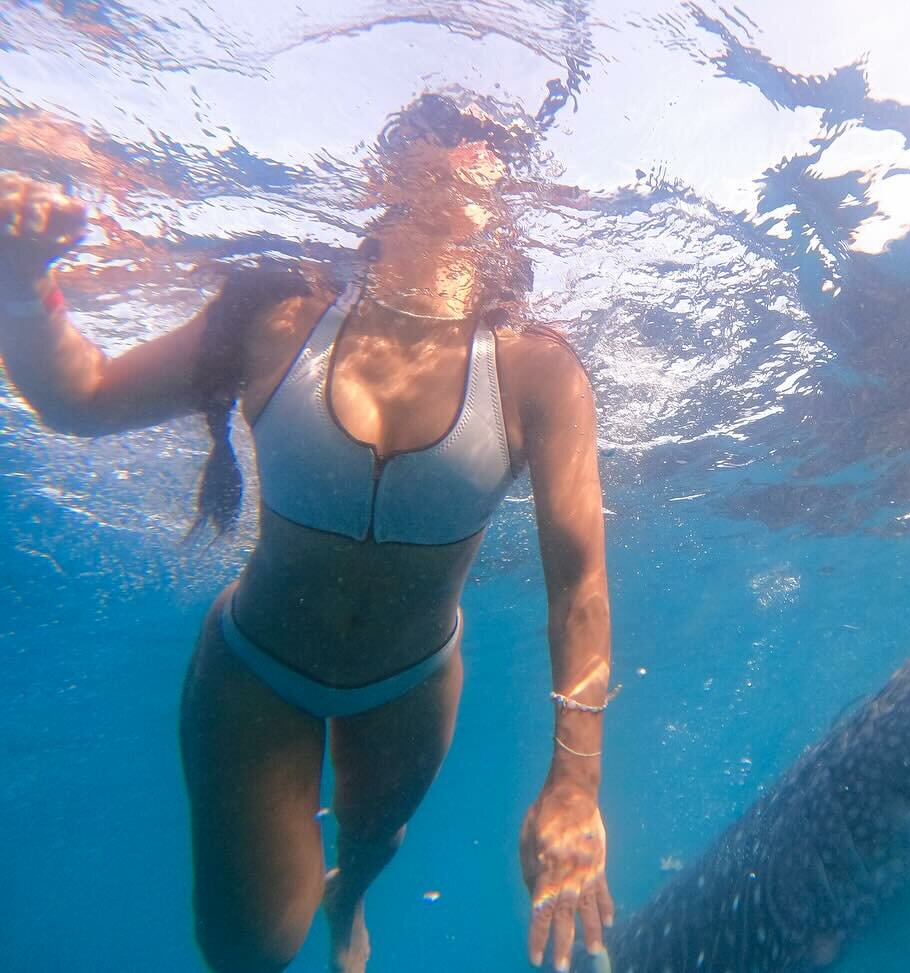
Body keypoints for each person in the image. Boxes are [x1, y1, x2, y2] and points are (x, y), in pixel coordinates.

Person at [0, 93, 614, 973]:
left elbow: (580, 585)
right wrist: (22, 285)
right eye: (435, 147)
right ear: (381, 183)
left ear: (505, 207)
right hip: (256, 668)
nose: (460, 162)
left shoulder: (538, 371)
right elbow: (82, 399)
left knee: (373, 841)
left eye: (480, 152)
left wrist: (576, 786)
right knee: (247, 948)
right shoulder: (281, 316)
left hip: (411, 680)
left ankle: (348, 899)